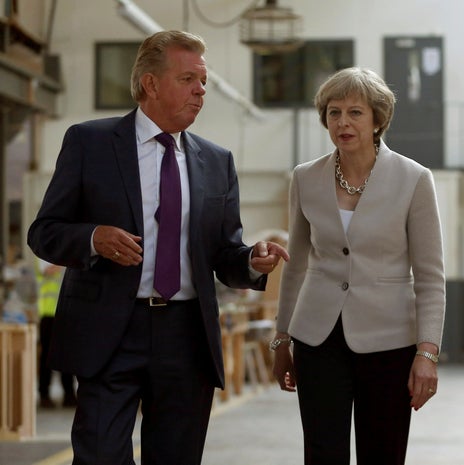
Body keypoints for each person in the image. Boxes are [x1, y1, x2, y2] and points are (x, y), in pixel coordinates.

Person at [27, 30, 288, 465]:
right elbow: (44, 232)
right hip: (109, 329)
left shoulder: (217, 161)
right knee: (99, 457)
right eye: (189, 79)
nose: (201, 91)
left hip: (186, 336)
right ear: (150, 84)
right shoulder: (89, 143)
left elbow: (225, 253)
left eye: (203, 82)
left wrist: (252, 261)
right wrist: (93, 237)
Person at [271, 67, 446, 465]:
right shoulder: (305, 177)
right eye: (334, 113)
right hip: (317, 338)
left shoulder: (414, 178)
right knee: (322, 452)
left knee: (382, 452)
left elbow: (431, 277)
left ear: (377, 119)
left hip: (389, 341)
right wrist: (282, 338)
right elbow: (296, 264)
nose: (343, 123)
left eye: (355, 112)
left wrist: (427, 352)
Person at [35, 258, 76, 408]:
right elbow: (49, 270)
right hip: (49, 314)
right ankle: (44, 395)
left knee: (68, 356)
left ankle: (69, 395)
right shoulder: (43, 254)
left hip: (67, 312)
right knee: (47, 356)